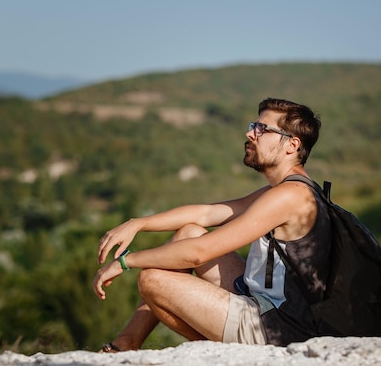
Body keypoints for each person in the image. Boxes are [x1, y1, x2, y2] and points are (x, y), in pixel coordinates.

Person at [93, 97, 330, 350]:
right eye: (253, 125)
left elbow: (199, 254)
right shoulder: (291, 188)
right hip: (267, 303)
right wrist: (138, 224)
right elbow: (207, 214)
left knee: (152, 280)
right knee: (189, 232)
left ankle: (228, 353)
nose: (250, 134)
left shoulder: (290, 196)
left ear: (292, 145)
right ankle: (127, 341)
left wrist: (125, 261)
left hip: (278, 327)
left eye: (262, 129)